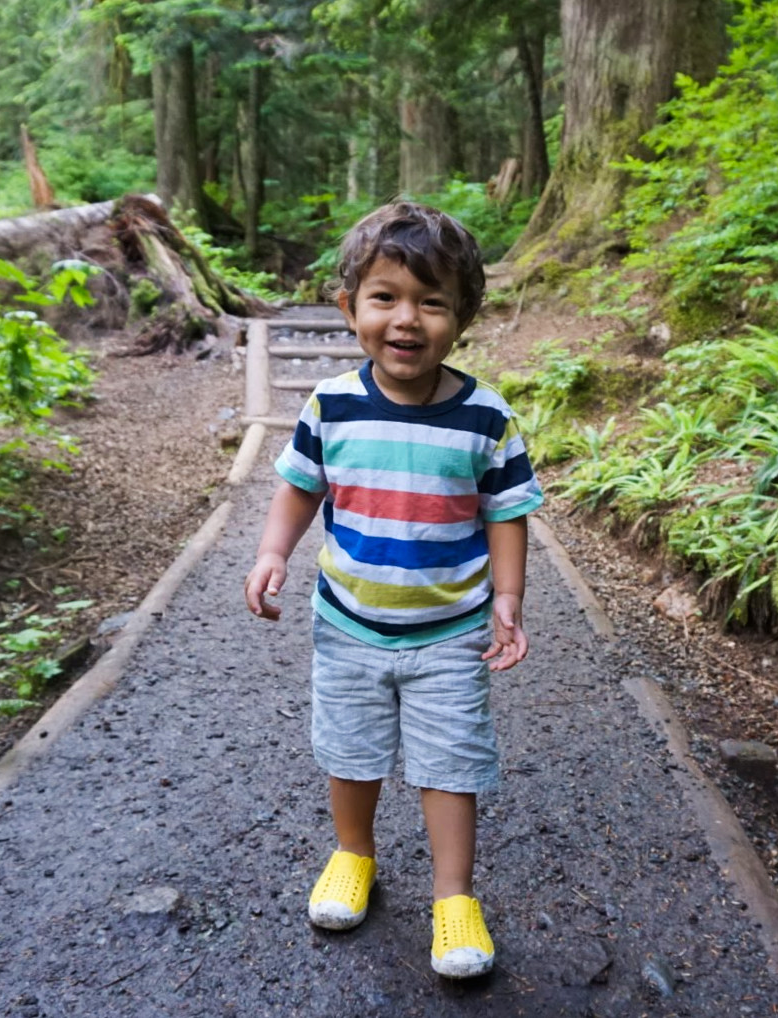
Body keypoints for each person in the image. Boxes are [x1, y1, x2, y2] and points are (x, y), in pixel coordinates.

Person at [243, 202, 544, 979]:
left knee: (450, 762)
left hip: (452, 629)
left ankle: (453, 898)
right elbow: (300, 487)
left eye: (432, 301)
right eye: (385, 297)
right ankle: (354, 855)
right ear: (350, 308)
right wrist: (274, 551)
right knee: (352, 750)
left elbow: (507, 513)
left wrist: (507, 599)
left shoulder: (486, 415)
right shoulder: (332, 403)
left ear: (463, 316)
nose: (406, 319)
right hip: (348, 622)